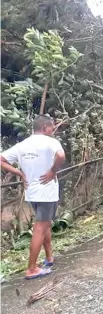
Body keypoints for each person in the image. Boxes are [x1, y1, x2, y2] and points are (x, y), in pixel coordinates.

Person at [1, 115, 66, 279]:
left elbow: (1, 159)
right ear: (45, 127)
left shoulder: (23, 145)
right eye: (51, 127)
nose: (53, 130)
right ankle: (31, 268)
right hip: (47, 192)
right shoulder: (51, 142)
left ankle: (49, 257)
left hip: (32, 192)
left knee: (44, 224)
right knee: (40, 227)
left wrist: (19, 173)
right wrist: (53, 171)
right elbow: (61, 156)